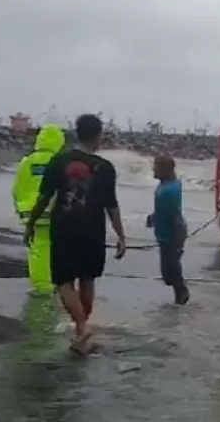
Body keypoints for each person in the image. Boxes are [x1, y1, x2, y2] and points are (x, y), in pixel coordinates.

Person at [23, 114, 127, 354]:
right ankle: (82, 336)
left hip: (65, 227)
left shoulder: (59, 161)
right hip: (94, 229)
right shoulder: (106, 168)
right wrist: (121, 235)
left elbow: (43, 198)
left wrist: (31, 224)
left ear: (76, 133)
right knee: (87, 277)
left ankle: (81, 326)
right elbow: (112, 205)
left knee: (64, 281)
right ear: (98, 135)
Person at [12, 124, 65, 296]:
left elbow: (17, 188)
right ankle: (52, 284)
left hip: (30, 212)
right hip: (55, 211)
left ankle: (41, 285)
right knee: (55, 248)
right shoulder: (60, 162)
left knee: (37, 249)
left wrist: (19, 208)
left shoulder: (26, 162)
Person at [146, 154, 190, 305]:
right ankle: (180, 292)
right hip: (164, 234)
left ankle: (182, 295)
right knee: (167, 274)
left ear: (165, 170)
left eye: (156, 167)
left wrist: (179, 241)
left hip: (172, 234)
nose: (153, 169)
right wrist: (154, 217)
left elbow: (175, 215)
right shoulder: (165, 185)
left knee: (171, 270)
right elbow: (164, 210)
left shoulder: (169, 190)